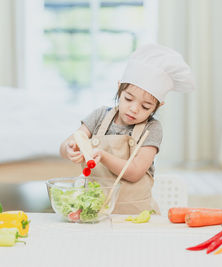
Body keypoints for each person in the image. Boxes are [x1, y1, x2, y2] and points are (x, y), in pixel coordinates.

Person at [60, 44, 195, 214]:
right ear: (119, 88)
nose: (134, 109)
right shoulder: (100, 116)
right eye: (128, 98)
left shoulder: (152, 128)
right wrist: (70, 147)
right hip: (94, 211)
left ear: (157, 106)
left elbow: (135, 172)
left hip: (135, 215)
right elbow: (71, 141)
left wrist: (103, 156)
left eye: (145, 106)